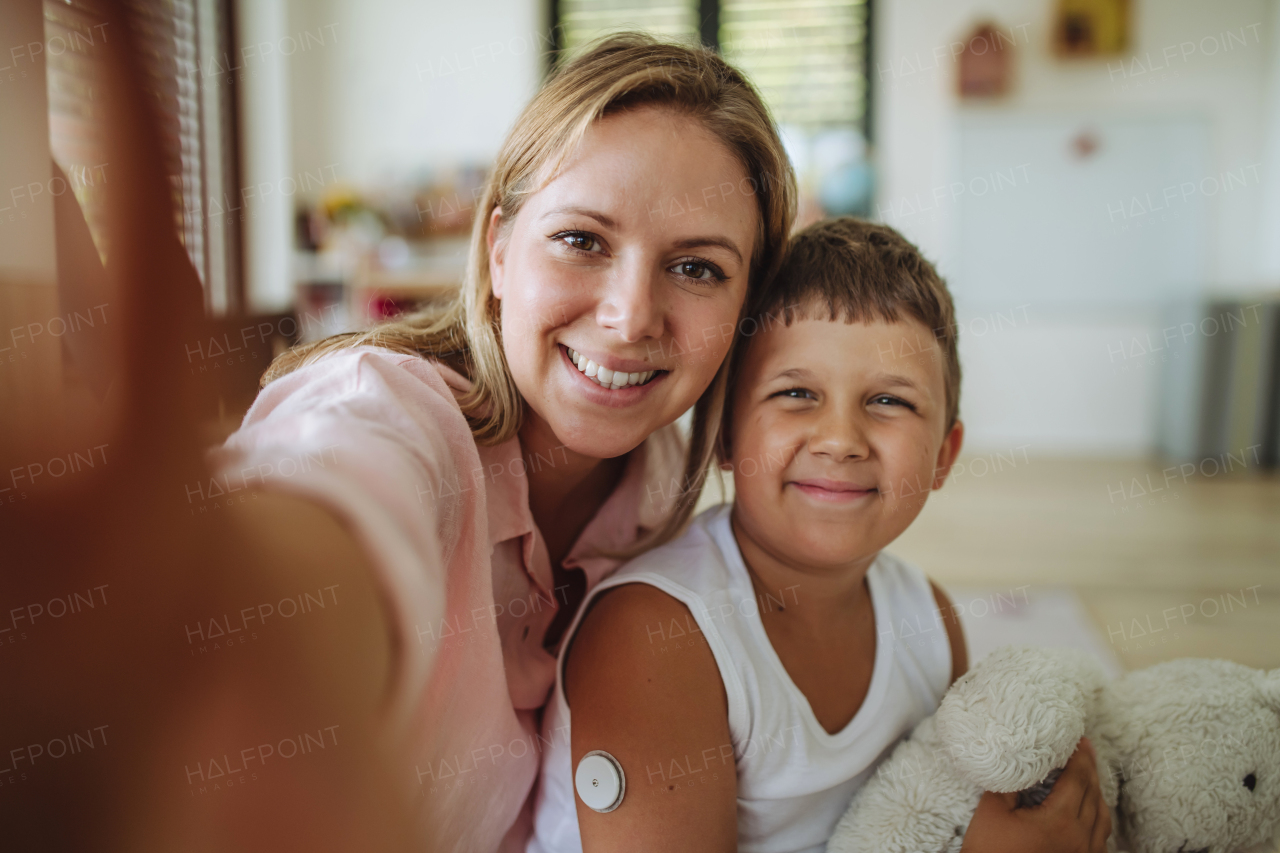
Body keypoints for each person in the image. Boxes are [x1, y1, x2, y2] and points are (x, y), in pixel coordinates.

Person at [205, 33, 797, 852]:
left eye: (696, 268)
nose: (630, 317)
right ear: (498, 249)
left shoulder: (663, 491)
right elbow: (316, 517)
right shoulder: (387, 413)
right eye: (583, 240)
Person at [532, 219, 1112, 853]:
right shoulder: (655, 639)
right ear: (723, 435)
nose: (840, 439)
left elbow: (932, 811)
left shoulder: (929, 617)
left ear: (944, 455)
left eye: (890, 402)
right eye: (797, 392)